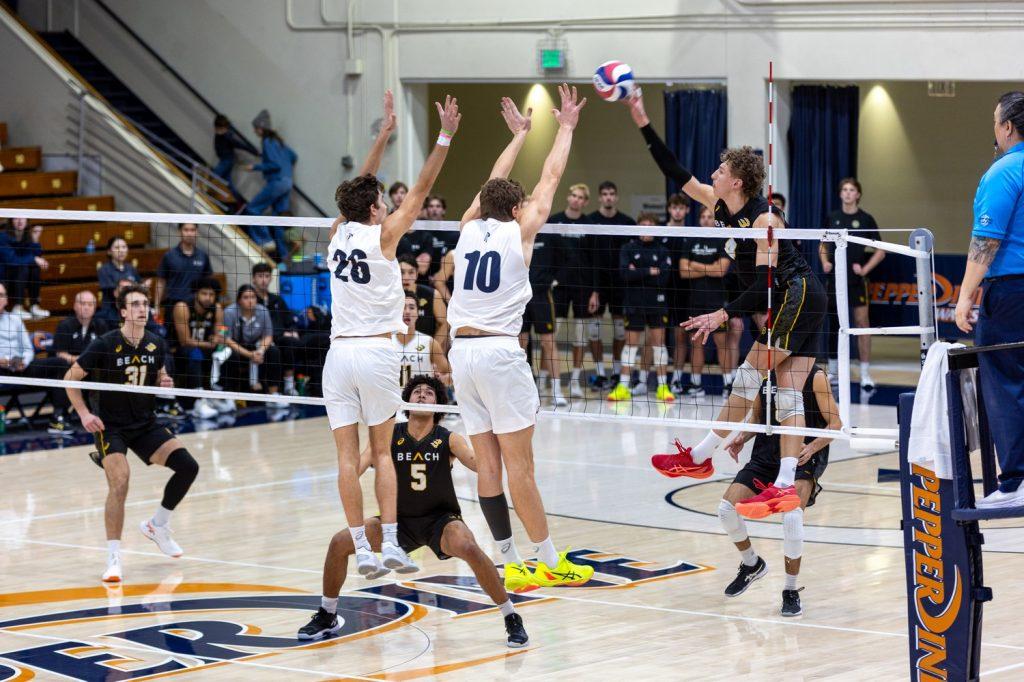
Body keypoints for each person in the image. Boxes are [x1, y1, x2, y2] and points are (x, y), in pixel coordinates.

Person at [624, 90, 826, 518]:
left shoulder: (764, 220)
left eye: (720, 169)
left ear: (737, 181)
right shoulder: (718, 206)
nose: (712, 173)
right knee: (788, 394)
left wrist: (722, 311)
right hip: (796, 299)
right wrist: (642, 120)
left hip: (796, 294)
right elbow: (675, 170)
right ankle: (786, 484)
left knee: (748, 379)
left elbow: (766, 287)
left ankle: (700, 454)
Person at [447, 87, 594, 591]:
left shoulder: (466, 227)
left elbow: (492, 182)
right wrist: (567, 127)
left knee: (487, 464)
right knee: (521, 467)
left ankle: (509, 563)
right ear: (516, 210)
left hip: (460, 353)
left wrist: (518, 137)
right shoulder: (520, 230)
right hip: (497, 352)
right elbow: (550, 177)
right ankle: (549, 560)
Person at [317, 92, 459, 580]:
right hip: (377, 352)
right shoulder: (383, 236)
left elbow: (357, 188)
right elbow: (419, 189)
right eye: (380, 200)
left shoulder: (336, 230)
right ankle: (394, 544)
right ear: (377, 209)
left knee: (344, 457)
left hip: (337, 356)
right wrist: (444, 136)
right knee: (382, 452)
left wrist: (383, 135)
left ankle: (363, 546)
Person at [299, 375, 529, 647]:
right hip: (395, 523)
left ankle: (510, 615)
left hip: (440, 520)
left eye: (429, 393)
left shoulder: (449, 438)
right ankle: (327, 614)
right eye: (416, 391)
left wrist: (496, 437)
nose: (421, 395)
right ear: (406, 401)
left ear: (439, 405)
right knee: (339, 542)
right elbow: (356, 468)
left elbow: (481, 465)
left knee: (468, 546)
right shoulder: (387, 435)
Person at [65, 284, 200, 583]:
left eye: (145, 304)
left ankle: (157, 525)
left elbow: (161, 376)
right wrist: (85, 414)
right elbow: (69, 378)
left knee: (188, 466)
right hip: (110, 426)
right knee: (121, 482)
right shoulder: (104, 343)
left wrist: (165, 382)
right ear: (123, 311)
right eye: (135, 304)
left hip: (144, 422)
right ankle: (113, 558)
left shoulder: (157, 344)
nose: (142, 309)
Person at [719, 365, 840, 616]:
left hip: (800, 459)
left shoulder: (815, 377)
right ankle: (752, 564)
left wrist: (813, 447)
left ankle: (790, 589)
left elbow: (836, 424)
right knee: (726, 509)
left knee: (792, 515)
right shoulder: (766, 374)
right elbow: (756, 418)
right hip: (765, 457)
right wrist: (742, 437)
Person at [954, 91, 1024, 509]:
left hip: (1012, 293)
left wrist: (964, 298)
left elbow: (986, 241)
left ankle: (1015, 481)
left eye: (995, 123)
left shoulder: (1003, 171)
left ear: (1008, 127)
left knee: (1003, 382)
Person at [820, 177, 884, 390]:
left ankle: (865, 374)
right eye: (844, 190)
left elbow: (881, 250)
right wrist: (825, 262)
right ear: (840, 194)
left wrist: (865, 269)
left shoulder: (866, 219)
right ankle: (834, 372)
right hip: (834, 280)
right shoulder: (833, 218)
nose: (847, 193)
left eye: (851, 190)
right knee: (834, 326)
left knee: (862, 324)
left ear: (858, 194)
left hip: (857, 281)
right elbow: (822, 244)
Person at [607, 212, 674, 403]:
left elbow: (664, 278)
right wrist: (650, 271)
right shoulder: (628, 248)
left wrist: (637, 272)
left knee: (658, 345)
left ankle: (663, 386)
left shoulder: (662, 250)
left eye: (650, 226)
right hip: (634, 303)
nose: (646, 230)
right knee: (631, 345)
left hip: (657, 303)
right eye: (642, 225)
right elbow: (624, 274)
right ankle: (623, 386)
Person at [27, 290, 107, 434]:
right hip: (70, 369)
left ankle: (103, 412)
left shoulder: (101, 325)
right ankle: (59, 416)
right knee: (63, 366)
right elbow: (60, 353)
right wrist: (80, 361)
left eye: (90, 304)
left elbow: (105, 352)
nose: (87, 307)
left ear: (95, 307)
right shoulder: (65, 325)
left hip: (90, 369)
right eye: (83, 303)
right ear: (75, 305)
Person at [549, 183, 600, 398]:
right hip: (558, 287)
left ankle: (575, 381)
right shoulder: (553, 221)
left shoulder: (590, 224)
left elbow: (595, 261)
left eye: (581, 197)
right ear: (568, 197)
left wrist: (595, 292)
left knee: (580, 336)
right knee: (551, 335)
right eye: (573, 195)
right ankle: (548, 381)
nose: (576, 199)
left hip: (583, 287)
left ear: (585, 202)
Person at [678, 205, 733, 397]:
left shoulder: (723, 240)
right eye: (703, 216)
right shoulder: (691, 239)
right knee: (696, 343)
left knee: (721, 342)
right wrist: (709, 267)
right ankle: (696, 384)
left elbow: (720, 270)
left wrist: (694, 264)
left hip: (716, 301)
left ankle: (728, 384)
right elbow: (683, 272)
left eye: (710, 216)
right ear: (699, 218)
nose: (707, 219)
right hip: (695, 299)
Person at [586, 181, 636, 389]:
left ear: (616, 197)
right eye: (604, 194)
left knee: (619, 332)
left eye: (611, 194)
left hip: (620, 285)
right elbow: (585, 257)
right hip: (595, 285)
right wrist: (592, 290)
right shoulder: (589, 221)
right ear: (599, 197)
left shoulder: (627, 222)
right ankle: (599, 373)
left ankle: (616, 373)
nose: (608, 197)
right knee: (593, 332)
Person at [520, 218, 568, 406]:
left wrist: (555, 279)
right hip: (519, 297)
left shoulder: (549, 235)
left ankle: (556, 390)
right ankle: (522, 391)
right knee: (520, 345)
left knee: (548, 342)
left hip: (541, 296)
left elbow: (568, 258)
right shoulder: (515, 234)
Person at [242, 109, 298, 258]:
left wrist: (255, 166)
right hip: (287, 182)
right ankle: (284, 257)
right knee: (278, 219)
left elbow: (274, 165)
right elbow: (293, 156)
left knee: (253, 208)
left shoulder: (267, 142)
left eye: (255, 128)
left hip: (277, 182)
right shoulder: (279, 142)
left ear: (260, 128)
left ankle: (265, 240)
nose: (254, 132)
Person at [171, 277, 226, 419]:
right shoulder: (182, 307)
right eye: (204, 293)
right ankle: (198, 401)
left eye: (212, 295)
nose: (208, 298)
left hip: (204, 348)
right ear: (196, 293)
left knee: (227, 352)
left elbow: (220, 334)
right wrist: (210, 343)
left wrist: (217, 338)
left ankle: (220, 395)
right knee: (195, 353)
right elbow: (184, 341)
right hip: (179, 350)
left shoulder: (218, 309)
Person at [220, 284, 282, 397]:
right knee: (230, 355)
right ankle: (230, 395)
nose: (250, 301)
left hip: (256, 347)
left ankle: (274, 394)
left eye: (253, 297)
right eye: (246, 297)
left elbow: (268, 336)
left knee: (274, 351)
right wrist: (249, 354)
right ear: (239, 300)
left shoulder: (263, 311)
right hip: (236, 347)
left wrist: (260, 351)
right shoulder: (229, 312)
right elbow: (225, 338)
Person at [251, 262, 302, 396]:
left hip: (280, 337)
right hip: (261, 339)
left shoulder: (277, 299)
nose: (263, 280)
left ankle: (289, 385)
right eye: (260, 276)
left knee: (292, 342)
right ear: (253, 279)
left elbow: (290, 321)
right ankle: (272, 390)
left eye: (267, 276)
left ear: (271, 278)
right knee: (273, 350)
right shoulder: (250, 300)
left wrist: (293, 331)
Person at [153, 223, 213, 328]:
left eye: (192, 230)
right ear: (179, 232)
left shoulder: (203, 256)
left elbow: (208, 282)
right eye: (186, 230)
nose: (189, 233)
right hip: (173, 304)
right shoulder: (169, 256)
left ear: (197, 232)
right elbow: (161, 282)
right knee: (171, 341)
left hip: (196, 306)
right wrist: (156, 306)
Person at [662, 193, 692, 394]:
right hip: (660, 290)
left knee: (681, 336)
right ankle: (655, 379)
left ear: (687, 210)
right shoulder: (659, 232)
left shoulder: (692, 234)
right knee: (654, 336)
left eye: (681, 208)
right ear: (669, 209)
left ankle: (677, 379)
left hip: (684, 291)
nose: (678, 211)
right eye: (674, 207)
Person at [395, 290, 450, 388]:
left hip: (420, 401)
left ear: (417, 313)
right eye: (402, 307)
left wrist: (440, 380)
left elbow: (450, 375)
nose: (407, 311)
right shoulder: (386, 341)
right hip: (392, 400)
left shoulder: (429, 342)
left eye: (411, 307)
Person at [398, 255, 449, 351]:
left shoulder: (432, 294)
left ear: (417, 274)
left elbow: (444, 323)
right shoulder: (389, 296)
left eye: (411, 272)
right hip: (396, 350)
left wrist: (432, 349)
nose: (406, 277)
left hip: (423, 349)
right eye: (402, 273)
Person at [4, 218, 49, 320]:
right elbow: (12, 259)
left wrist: (35, 240)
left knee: (34, 267)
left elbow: (36, 256)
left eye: (22, 218)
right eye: (16, 218)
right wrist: (34, 258)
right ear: (11, 221)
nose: (20, 220)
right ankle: (17, 307)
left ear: (27, 220)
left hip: (22, 278)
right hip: (6, 279)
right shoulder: (3, 237)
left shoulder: (26, 236)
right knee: (22, 267)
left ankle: (34, 306)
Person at [98, 236, 141, 322]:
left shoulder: (131, 268)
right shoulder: (104, 270)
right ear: (109, 251)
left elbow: (139, 287)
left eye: (124, 247)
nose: (121, 250)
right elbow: (113, 292)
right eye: (117, 247)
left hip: (130, 309)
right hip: (111, 311)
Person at [212, 114, 247, 208]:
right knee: (228, 183)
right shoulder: (220, 134)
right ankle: (239, 201)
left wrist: (255, 152)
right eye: (218, 129)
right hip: (224, 159)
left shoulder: (228, 136)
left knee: (215, 175)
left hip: (227, 160)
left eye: (221, 129)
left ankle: (206, 191)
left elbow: (240, 145)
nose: (219, 131)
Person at [0, 282, 34, 379]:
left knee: (58, 363)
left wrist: (24, 362)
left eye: (1, 295)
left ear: (6, 300)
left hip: (19, 366)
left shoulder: (16, 319)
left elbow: (28, 349)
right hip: (1, 368)